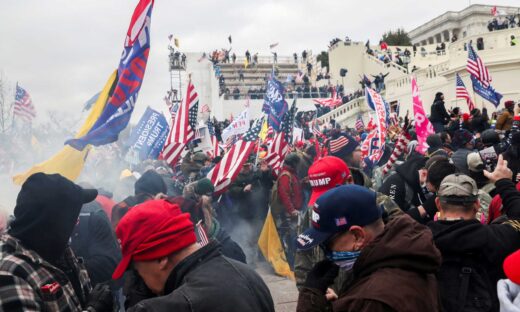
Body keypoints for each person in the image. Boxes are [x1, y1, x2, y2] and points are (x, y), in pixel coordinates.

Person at [295, 185, 441, 311]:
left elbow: (375, 298)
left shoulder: (371, 300)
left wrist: (310, 303)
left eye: (326, 243)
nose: (326, 252)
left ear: (358, 236)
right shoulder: (405, 256)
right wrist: (343, 304)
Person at [112, 199, 275, 312]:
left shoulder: (172, 305)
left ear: (160, 258)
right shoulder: (248, 275)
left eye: (137, 269)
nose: (141, 278)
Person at [0, 173, 112, 311]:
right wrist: (94, 309)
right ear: (55, 221)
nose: (76, 221)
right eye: (72, 214)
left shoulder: (60, 249)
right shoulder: (9, 273)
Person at [429, 159, 520, 312]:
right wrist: (503, 182)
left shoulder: (420, 241)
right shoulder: (497, 238)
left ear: (438, 204)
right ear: (477, 205)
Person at [270, 153, 303, 267]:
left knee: (292, 237)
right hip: (288, 214)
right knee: (290, 239)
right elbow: (284, 195)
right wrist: (291, 210)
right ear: (293, 163)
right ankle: (290, 264)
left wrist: (303, 182)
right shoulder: (286, 175)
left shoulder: (291, 174)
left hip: (293, 212)